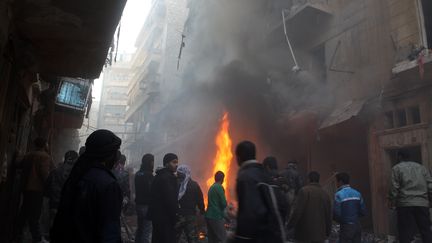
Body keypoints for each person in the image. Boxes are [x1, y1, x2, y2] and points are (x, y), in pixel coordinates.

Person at [51, 129, 123, 243]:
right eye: (116, 151)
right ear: (107, 154)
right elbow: (109, 230)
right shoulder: (108, 184)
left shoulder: (78, 173)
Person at [233, 141, 286, 243]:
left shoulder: (245, 177)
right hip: (275, 235)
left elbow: (249, 214)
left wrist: (240, 238)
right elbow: (283, 205)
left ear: (238, 157)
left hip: (261, 238)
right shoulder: (265, 175)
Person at [389, 151, 432, 243]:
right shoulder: (422, 168)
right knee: (425, 231)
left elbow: (394, 187)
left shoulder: (396, 168)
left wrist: (391, 201)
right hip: (422, 203)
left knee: (405, 233)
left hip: (405, 204)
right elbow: (430, 185)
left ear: (400, 157)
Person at [17, 137, 54, 243]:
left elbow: (18, 164)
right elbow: (44, 174)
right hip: (37, 189)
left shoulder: (28, 154)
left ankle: (18, 234)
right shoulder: (45, 157)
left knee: (23, 212)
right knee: (35, 215)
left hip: (26, 188)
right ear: (45, 145)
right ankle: (37, 238)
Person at [288, 171, 332, 243]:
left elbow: (297, 212)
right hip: (320, 235)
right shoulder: (325, 194)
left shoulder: (304, 191)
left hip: (304, 234)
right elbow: (328, 215)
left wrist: (289, 226)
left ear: (308, 179)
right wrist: (328, 232)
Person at [148, 153, 179, 243]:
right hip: (165, 218)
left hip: (157, 217)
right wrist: (175, 217)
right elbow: (170, 200)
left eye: (177, 162)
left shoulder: (158, 176)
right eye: (174, 162)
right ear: (166, 164)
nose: (176, 165)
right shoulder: (168, 178)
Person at [46, 151, 79, 225]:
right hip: (67, 205)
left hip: (54, 202)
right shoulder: (77, 173)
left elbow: (47, 186)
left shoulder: (55, 171)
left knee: (52, 223)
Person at [333, 172, 366, 243]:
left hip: (346, 227)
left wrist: (341, 221)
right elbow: (363, 211)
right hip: (357, 226)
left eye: (337, 182)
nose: (336, 184)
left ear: (340, 182)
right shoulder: (357, 193)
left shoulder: (338, 195)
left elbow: (337, 213)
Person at [176, 164, 205, 243]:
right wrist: (202, 210)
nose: (178, 176)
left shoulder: (175, 184)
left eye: (179, 174)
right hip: (190, 216)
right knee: (192, 238)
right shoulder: (194, 185)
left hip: (178, 215)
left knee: (174, 237)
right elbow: (200, 199)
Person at [135, 153, 155, 243]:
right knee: (147, 231)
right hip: (147, 206)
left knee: (140, 228)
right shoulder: (149, 175)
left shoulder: (138, 174)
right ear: (150, 162)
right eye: (152, 161)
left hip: (138, 205)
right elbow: (151, 191)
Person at [205, 171, 227, 243]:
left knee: (212, 239)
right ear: (222, 179)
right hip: (216, 216)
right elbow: (223, 203)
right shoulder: (219, 187)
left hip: (208, 216)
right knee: (222, 238)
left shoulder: (212, 187)